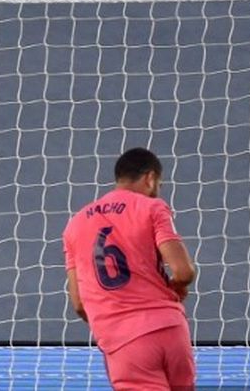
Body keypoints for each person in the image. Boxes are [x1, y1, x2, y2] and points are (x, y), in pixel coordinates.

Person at [63, 147, 197, 390]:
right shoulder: (152, 208)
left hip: (124, 340)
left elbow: (79, 303)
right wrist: (175, 288)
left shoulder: (74, 225)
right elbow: (184, 271)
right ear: (150, 178)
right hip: (171, 328)